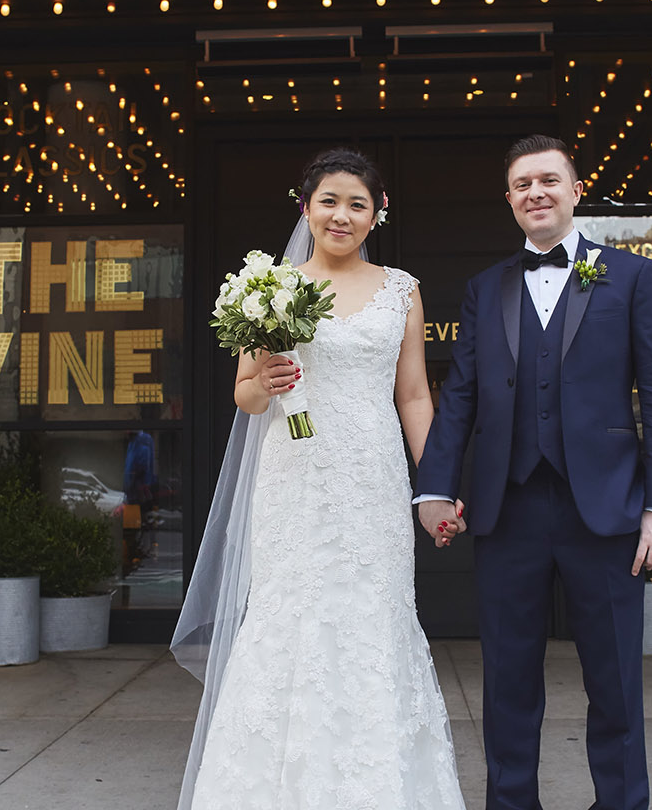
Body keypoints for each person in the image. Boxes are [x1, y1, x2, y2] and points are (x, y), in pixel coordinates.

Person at [173, 149, 464, 810]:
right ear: (305, 207)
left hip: (375, 479)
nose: (342, 214)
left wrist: (436, 482)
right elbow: (245, 395)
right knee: (293, 617)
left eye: (358, 203)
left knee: (374, 618)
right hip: (294, 479)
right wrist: (263, 383)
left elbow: (415, 395)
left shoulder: (401, 289)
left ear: (377, 214)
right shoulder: (267, 286)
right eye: (329, 200)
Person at [415, 134, 652, 810]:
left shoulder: (631, 276)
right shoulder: (486, 288)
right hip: (508, 510)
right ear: (509, 201)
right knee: (508, 679)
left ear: (574, 189)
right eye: (521, 185)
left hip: (608, 509)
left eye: (547, 180)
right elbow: (462, 396)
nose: (535, 193)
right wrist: (434, 486)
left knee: (616, 679)